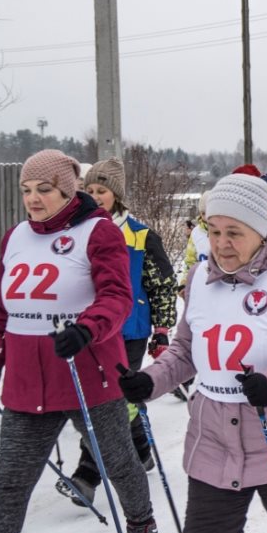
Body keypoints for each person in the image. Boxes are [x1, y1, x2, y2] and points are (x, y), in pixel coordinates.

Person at [117, 173, 267, 533]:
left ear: (260, 229)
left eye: (234, 232)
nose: (221, 243)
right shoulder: (198, 279)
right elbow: (188, 350)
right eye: (214, 230)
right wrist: (151, 379)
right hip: (214, 441)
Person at [0, 149, 158, 533]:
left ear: (68, 191)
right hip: (26, 384)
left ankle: (142, 526)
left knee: (120, 463)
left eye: (44, 189)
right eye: (26, 190)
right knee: (9, 483)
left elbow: (117, 296)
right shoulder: (16, 237)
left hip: (89, 374)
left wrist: (86, 329)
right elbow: (5, 308)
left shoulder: (98, 231)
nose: (33, 199)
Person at [58, 158, 178, 506]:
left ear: (117, 195)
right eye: (89, 191)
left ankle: (86, 476)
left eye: (102, 191)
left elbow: (161, 285)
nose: (95, 197)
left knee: (108, 400)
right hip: (90, 331)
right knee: (118, 401)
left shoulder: (140, 235)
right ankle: (141, 449)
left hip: (130, 330)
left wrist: (162, 328)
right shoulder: (76, 233)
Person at [179, 191, 211, 290]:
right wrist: (185, 281)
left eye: (208, 212)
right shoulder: (196, 233)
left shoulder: (225, 231)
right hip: (202, 283)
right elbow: (190, 261)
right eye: (202, 213)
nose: (204, 216)